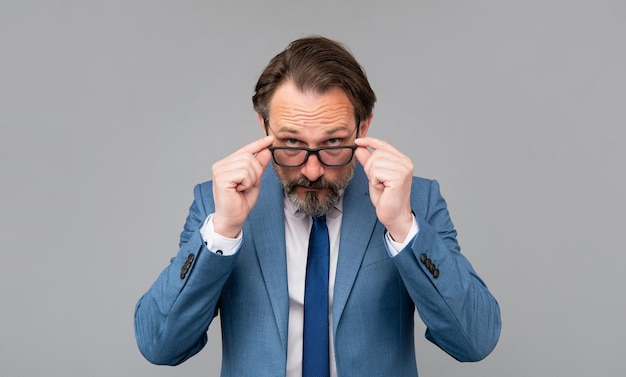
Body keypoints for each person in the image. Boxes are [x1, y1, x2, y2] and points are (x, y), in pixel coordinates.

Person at [134, 36, 501, 377]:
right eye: (291, 142)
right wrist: (223, 231)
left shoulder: (415, 201)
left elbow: (474, 342)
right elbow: (160, 346)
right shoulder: (216, 203)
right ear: (264, 128)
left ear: (364, 127)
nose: (312, 169)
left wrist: (403, 228)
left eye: (334, 142)